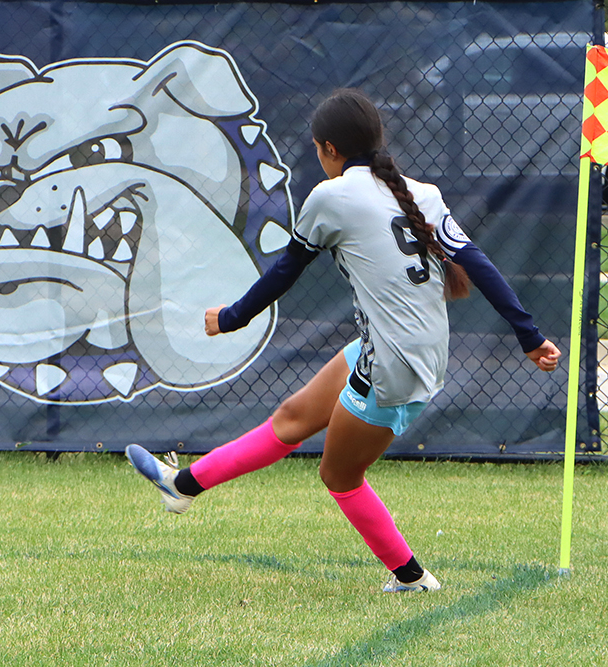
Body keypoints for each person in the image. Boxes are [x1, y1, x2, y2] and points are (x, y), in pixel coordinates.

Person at [126, 88, 561, 593]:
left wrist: (232, 316)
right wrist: (529, 336)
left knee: (339, 476)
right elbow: (478, 264)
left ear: (329, 149)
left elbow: (286, 271)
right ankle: (181, 486)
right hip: (412, 352)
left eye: (316, 149)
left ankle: (412, 578)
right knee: (292, 417)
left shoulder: (331, 197)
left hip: (391, 366)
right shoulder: (423, 192)